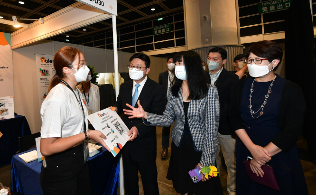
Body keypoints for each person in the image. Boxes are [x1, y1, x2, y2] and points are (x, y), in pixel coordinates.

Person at [124, 51, 223, 195]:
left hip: (202, 152)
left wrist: (206, 162)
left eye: (180, 63)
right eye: (175, 64)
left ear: (192, 66)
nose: (176, 67)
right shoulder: (173, 91)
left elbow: (212, 130)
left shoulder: (209, 91)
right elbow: (167, 119)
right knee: (184, 188)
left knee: (204, 188)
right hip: (179, 150)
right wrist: (145, 115)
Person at [228, 40, 309, 194]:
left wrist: (261, 156)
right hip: (246, 147)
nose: (251, 64)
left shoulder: (290, 89)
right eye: (249, 60)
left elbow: (292, 129)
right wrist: (252, 149)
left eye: (257, 60)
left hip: (277, 152)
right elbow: (233, 117)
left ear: (274, 62)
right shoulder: (240, 86)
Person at [39, 46, 109, 195]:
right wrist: (87, 134)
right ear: (67, 69)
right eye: (82, 64)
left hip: (78, 161)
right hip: (61, 171)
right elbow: (46, 148)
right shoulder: (58, 98)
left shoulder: (75, 90)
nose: (86, 68)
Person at [114, 53, 165, 195]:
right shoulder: (125, 86)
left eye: (138, 67)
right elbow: (118, 105)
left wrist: (139, 128)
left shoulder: (156, 89)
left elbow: (158, 115)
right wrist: (113, 110)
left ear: (147, 70)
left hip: (145, 145)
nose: (133, 69)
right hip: (126, 143)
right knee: (130, 183)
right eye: (131, 66)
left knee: (149, 183)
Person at [207, 47, 238, 195]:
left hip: (226, 128)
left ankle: (232, 190)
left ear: (223, 61)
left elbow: (232, 103)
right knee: (210, 161)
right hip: (206, 129)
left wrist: (214, 115)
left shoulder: (231, 78)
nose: (211, 62)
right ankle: (213, 189)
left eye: (215, 59)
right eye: (209, 58)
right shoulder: (202, 77)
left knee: (231, 163)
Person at [158, 56, 175, 159]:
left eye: (173, 62)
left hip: (177, 104)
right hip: (166, 104)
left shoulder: (179, 75)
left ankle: (177, 147)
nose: (171, 64)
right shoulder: (162, 75)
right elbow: (160, 90)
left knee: (179, 126)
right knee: (166, 127)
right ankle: (165, 148)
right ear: (166, 63)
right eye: (169, 62)